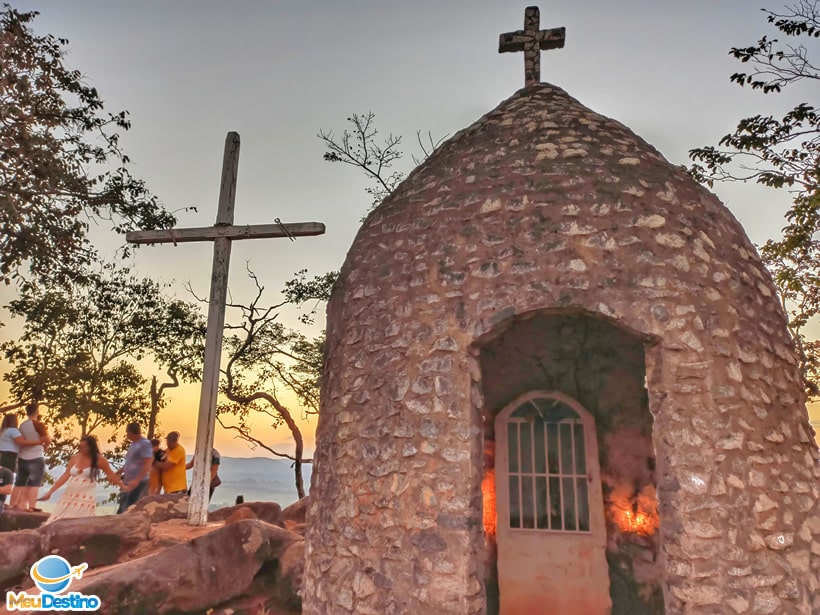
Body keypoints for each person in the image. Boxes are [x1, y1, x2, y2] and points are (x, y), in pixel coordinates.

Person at [39, 435, 124, 524]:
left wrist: (122, 486)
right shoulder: (75, 457)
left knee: (81, 520)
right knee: (59, 518)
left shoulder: (99, 459)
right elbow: (65, 476)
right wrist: (50, 491)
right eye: (80, 446)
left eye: (84, 447)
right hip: (70, 494)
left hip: (85, 497)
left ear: (90, 447)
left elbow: (111, 475)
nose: (81, 448)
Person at [10, 404, 50, 511]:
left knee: (19, 482)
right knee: (34, 483)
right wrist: (45, 445)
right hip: (36, 456)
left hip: (23, 457)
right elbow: (47, 440)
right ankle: (32, 506)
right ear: (37, 412)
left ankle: (13, 504)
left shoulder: (22, 426)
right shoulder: (39, 424)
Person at [116, 423, 153, 514]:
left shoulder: (144, 444)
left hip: (139, 482)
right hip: (128, 481)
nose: (127, 435)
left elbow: (148, 463)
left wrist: (137, 480)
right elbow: (129, 462)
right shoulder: (133, 444)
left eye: (127, 432)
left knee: (131, 508)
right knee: (124, 507)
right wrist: (118, 472)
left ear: (132, 432)